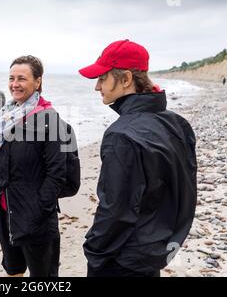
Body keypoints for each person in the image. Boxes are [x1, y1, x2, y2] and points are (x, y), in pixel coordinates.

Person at [78, 39, 197, 277]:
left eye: (102, 78)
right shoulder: (178, 123)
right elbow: (187, 193)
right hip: (156, 251)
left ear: (125, 79)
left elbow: (116, 209)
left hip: (122, 259)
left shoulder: (121, 134)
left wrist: (94, 251)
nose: (97, 87)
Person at [0, 55, 72, 277]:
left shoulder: (49, 119)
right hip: (5, 210)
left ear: (37, 82)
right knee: (13, 270)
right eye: (11, 78)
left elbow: (57, 174)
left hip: (36, 217)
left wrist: (38, 209)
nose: (14, 84)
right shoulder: (7, 116)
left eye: (22, 78)